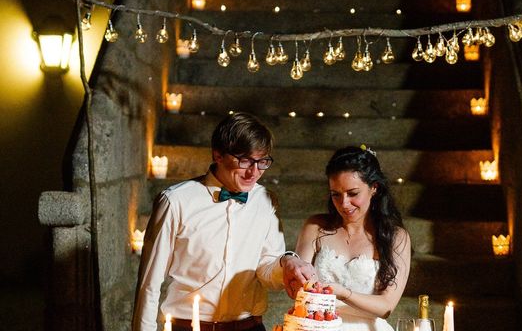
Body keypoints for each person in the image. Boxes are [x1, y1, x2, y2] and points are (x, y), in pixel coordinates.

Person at [133, 112, 314, 331]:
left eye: (262, 162)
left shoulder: (266, 200)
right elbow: (149, 284)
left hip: (250, 327)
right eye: (245, 160)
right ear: (218, 155)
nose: (254, 172)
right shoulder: (175, 201)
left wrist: (286, 262)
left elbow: (267, 272)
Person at [294, 145, 411, 331]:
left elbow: (386, 307)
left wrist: (343, 294)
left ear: (374, 188)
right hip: (316, 326)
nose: (344, 204)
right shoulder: (315, 227)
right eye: (336, 195)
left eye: (353, 193)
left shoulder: (396, 237)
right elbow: (297, 290)